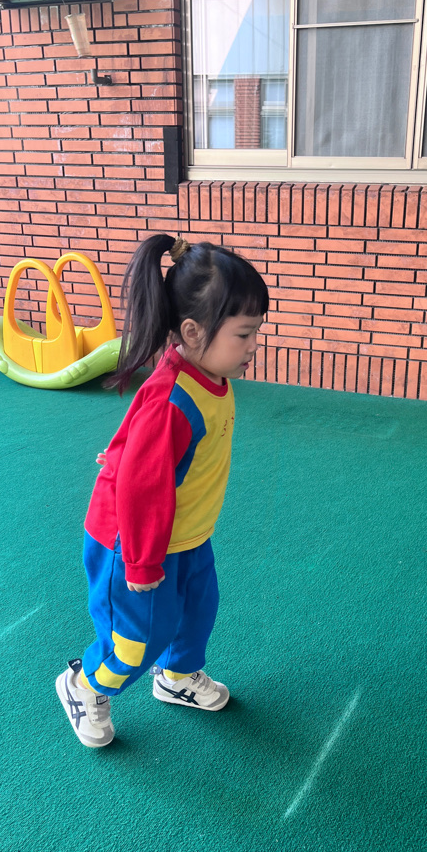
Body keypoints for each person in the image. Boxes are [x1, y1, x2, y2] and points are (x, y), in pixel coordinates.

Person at [56, 234, 269, 747]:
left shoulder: (209, 375)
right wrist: (142, 564)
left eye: (256, 332)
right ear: (192, 331)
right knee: (135, 642)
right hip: (132, 544)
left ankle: (176, 678)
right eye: (244, 334)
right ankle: (83, 686)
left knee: (197, 612)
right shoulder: (173, 399)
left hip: (185, 535)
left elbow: (141, 443)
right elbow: (140, 490)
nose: (253, 346)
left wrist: (121, 451)